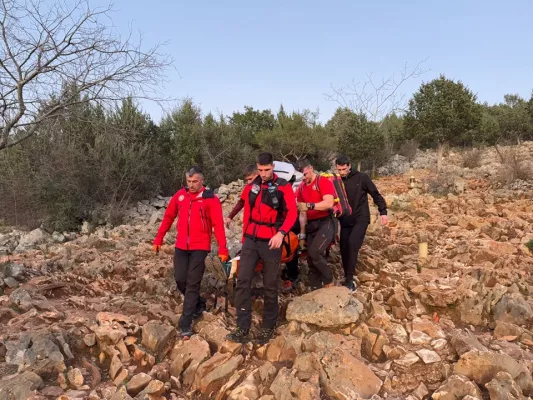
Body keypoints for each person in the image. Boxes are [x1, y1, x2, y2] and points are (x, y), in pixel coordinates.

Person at [226, 152, 297, 345]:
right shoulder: (253, 185)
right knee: (242, 281)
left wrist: (281, 233)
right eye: (260, 170)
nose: (263, 173)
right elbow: (242, 201)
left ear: (273, 167)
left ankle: (268, 326)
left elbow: (292, 212)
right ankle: (242, 327)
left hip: (271, 239)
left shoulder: (283, 187)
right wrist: (231, 216)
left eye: (267, 170)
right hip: (251, 238)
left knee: (270, 284)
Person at [153, 166, 229, 338]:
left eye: (195, 181)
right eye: (189, 181)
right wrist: (159, 238)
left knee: (193, 283)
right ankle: (198, 303)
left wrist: (223, 248)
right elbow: (168, 217)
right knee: (180, 279)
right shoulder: (180, 196)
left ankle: (185, 323)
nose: (192, 185)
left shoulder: (211, 199)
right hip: (181, 246)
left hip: (200, 247)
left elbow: (218, 225)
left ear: (202, 180)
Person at [335, 155, 388, 291]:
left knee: (353, 244)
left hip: (361, 218)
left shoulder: (362, 177)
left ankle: (349, 280)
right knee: (344, 247)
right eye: (339, 170)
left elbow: (375, 194)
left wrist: (383, 212)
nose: (342, 172)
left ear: (349, 165)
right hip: (345, 220)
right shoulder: (336, 181)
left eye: (344, 169)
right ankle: (347, 274)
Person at [295, 159, 336, 290]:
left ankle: (329, 280)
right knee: (311, 259)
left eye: (305, 174)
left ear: (311, 168)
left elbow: (329, 203)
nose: (304, 178)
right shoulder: (301, 188)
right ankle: (315, 288)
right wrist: (302, 235)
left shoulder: (323, 182)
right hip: (312, 224)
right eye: (301, 176)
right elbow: (302, 213)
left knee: (315, 252)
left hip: (326, 221)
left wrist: (310, 205)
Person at [225, 164, 258, 230]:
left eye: (250, 179)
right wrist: (230, 217)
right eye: (247, 180)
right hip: (248, 226)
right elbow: (241, 202)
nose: (248, 182)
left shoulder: (268, 189)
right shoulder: (248, 188)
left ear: (258, 174)